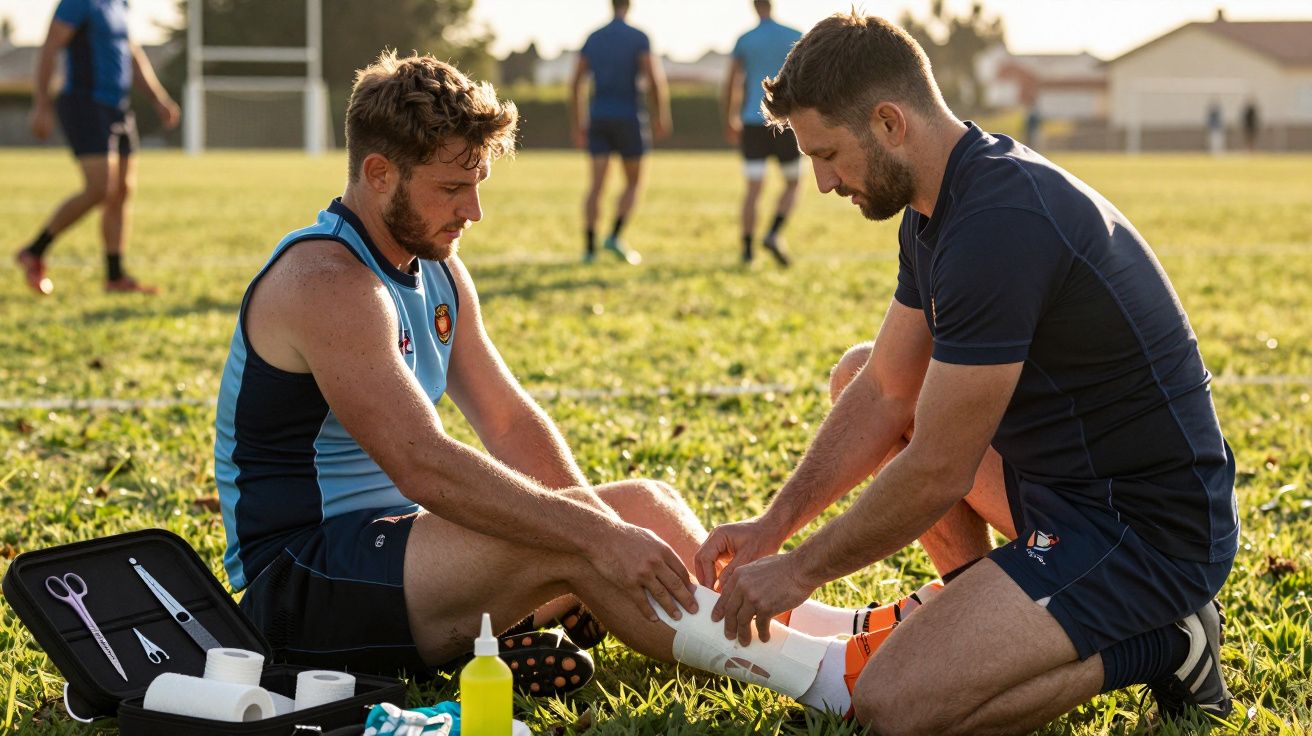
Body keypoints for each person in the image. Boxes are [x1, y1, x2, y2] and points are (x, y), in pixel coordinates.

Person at [214, 51, 917, 709]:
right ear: (378, 174)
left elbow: (509, 421)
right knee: (577, 541)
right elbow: (422, 463)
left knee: (643, 503)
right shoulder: (325, 282)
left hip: (392, 550)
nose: (473, 212)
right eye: (453, 188)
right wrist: (594, 536)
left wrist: (605, 522)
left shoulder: (436, 266)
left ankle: (846, 627)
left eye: (477, 186)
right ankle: (831, 677)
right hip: (302, 581)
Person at [693, 13, 1238, 734]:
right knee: (860, 371)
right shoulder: (934, 207)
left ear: (889, 122)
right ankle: (986, 605)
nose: (822, 183)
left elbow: (939, 470)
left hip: (1144, 529)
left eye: (827, 154)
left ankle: (1170, 644)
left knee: (894, 706)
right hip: (1059, 489)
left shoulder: (998, 220)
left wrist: (799, 570)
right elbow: (888, 389)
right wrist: (773, 525)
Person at [14, 0, 179, 296]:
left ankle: (115, 276)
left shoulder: (120, 4)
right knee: (99, 188)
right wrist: (41, 104)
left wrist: (158, 98)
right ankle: (35, 250)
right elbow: (51, 46)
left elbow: (132, 53)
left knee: (123, 190)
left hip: (118, 107)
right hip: (84, 104)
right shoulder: (78, 2)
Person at [570, 0, 670, 264]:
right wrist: (661, 115)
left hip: (599, 118)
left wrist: (578, 122)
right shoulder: (639, 37)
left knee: (596, 186)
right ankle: (614, 236)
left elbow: (575, 82)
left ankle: (590, 248)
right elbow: (653, 79)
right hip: (629, 119)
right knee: (634, 182)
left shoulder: (593, 37)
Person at [723, 0, 803, 267]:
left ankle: (747, 251)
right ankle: (772, 233)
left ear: (755, 7)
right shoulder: (794, 36)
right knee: (792, 183)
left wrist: (729, 118)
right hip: (785, 122)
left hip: (752, 121)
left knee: (753, 189)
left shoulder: (745, 40)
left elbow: (732, 83)